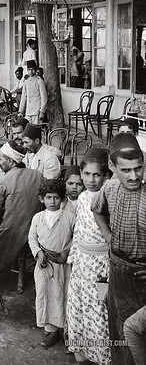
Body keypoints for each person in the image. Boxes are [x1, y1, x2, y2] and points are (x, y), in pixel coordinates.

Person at [92, 133, 146, 365]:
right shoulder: (110, 188)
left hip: (144, 277)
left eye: (139, 168)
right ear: (112, 167)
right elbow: (97, 210)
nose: (134, 176)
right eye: (126, 170)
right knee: (120, 334)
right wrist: (107, 235)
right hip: (118, 273)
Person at [66, 148, 111, 364]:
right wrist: (74, 258)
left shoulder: (110, 199)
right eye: (86, 174)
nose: (91, 180)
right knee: (78, 306)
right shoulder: (82, 197)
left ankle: (102, 357)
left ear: (106, 175)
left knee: (100, 311)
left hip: (102, 266)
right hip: (82, 263)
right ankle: (82, 353)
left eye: (97, 175)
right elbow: (79, 230)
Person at [28, 179, 75, 348]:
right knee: (45, 296)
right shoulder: (38, 218)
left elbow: (76, 239)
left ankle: (66, 331)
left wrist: (66, 253)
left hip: (63, 266)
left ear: (62, 199)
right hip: (44, 266)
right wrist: (38, 253)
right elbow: (32, 238)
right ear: (42, 199)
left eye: (56, 198)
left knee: (62, 295)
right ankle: (51, 330)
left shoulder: (70, 217)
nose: (52, 201)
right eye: (48, 197)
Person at [0, 141, 43, 272]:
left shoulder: (3, 181)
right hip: (35, 228)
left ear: (11, 162)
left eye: (0, 159)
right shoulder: (37, 175)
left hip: (11, 233)